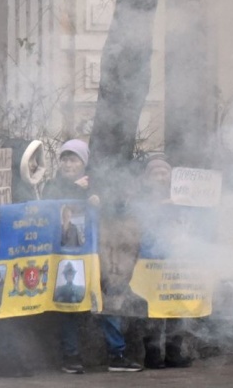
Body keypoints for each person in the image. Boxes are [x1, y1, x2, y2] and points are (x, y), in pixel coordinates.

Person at [44, 138, 142, 374]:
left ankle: (116, 354)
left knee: (108, 301)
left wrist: (101, 202)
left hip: (98, 254)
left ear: (83, 162)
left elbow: (117, 212)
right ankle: (71, 356)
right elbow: (48, 207)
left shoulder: (96, 185)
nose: (68, 164)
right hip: (67, 256)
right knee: (69, 303)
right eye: (65, 159)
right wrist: (76, 191)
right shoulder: (51, 185)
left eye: (73, 159)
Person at [136, 157, 194, 369]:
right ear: (147, 178)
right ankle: (152, 354)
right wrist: (162, 206)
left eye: (164, 173)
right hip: (151, 259)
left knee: (177, 306)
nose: (160, 177)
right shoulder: (142, 197)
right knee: (153, 310)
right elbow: (139, 218)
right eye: (156, 173)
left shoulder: (181, 197)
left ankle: (174, 352)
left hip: (177, 258)